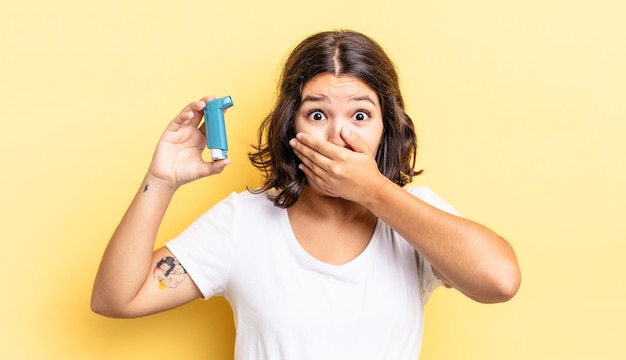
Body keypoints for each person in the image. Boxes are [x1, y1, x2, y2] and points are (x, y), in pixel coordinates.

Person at [91, 30, 521, 359]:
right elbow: (116, 298)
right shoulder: (244, 222)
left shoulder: (415, 217)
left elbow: (500, 282)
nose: (340, 135)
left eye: (360, 114)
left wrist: (374, 190)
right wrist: (161, 179)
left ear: (386, 126)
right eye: (317, 113)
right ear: (290, 125)